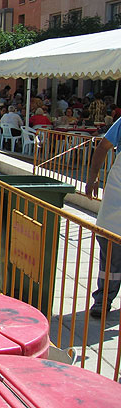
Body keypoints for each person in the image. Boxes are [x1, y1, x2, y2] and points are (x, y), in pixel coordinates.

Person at [85, 115, 121, 318]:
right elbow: (103, 147)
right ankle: (103, 299)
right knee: (110, 248)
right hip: (118, 196)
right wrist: (92, 177)